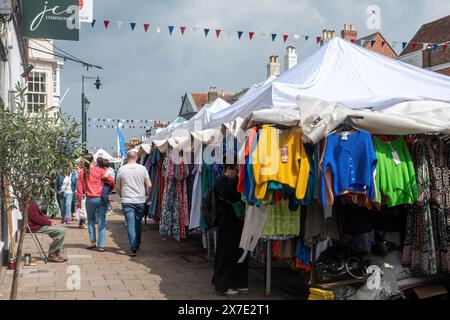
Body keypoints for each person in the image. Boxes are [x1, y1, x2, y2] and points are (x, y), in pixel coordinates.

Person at [212, 159, 248, 296]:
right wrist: (238, 179)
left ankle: (236, 282)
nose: (237, 172)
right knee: (226, 254)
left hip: (234, 223)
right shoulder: (222, 181)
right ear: (230, 168)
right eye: (236, 169)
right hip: (226, 223)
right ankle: (223, 285)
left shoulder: (224, 180)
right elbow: (230, 195)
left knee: (237, 252)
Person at [116, 150, 151, 257]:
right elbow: (149, 185)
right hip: (140, 200)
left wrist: (121, 194)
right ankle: (137, 242)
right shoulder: (143, 168)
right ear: (136, 158)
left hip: (127, 200)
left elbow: (118, 186)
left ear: (127, 158)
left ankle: (133, 248)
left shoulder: (122, 169)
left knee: (130, 224)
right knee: (137, 222)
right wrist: (148, 196)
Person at [77, 153, 115, 252]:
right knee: (101, 222)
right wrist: (108, 189)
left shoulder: (82, 172)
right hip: (100, 199)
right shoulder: (100, 170)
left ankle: (93, 242)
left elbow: (79, 189)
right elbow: (111, 181)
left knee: (91, 221)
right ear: (92, 160)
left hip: (89, 199)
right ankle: (101, 245)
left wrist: (78, 203)